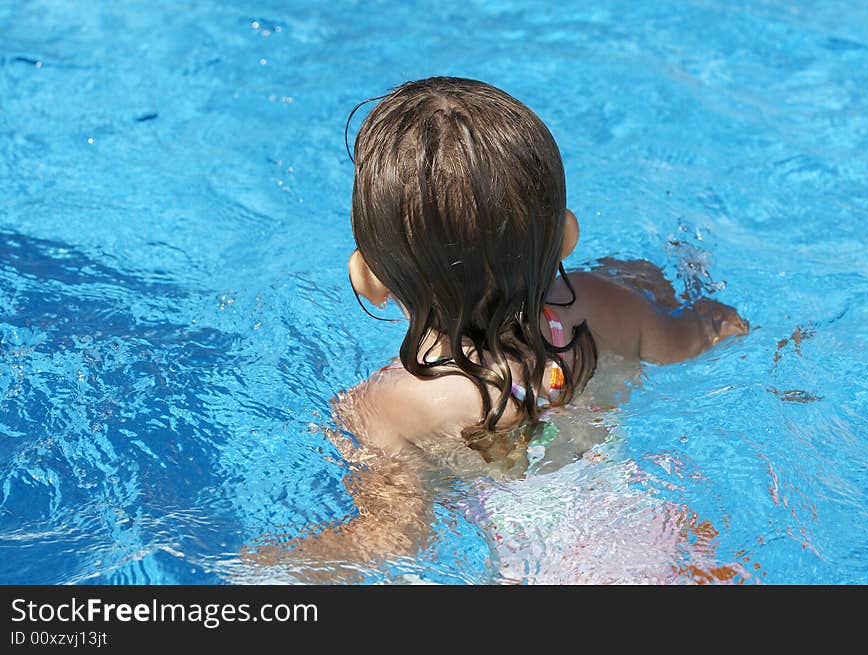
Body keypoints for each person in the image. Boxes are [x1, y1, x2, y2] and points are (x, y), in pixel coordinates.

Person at [244, 76, 749, 577]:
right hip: (665, 534)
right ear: (567, 235)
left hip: (539, 569)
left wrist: (270, 564)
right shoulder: (607, 305)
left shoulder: (389, 403)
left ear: (367, 278)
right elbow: (703, 334)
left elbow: (397, 537)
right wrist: (706, 306)